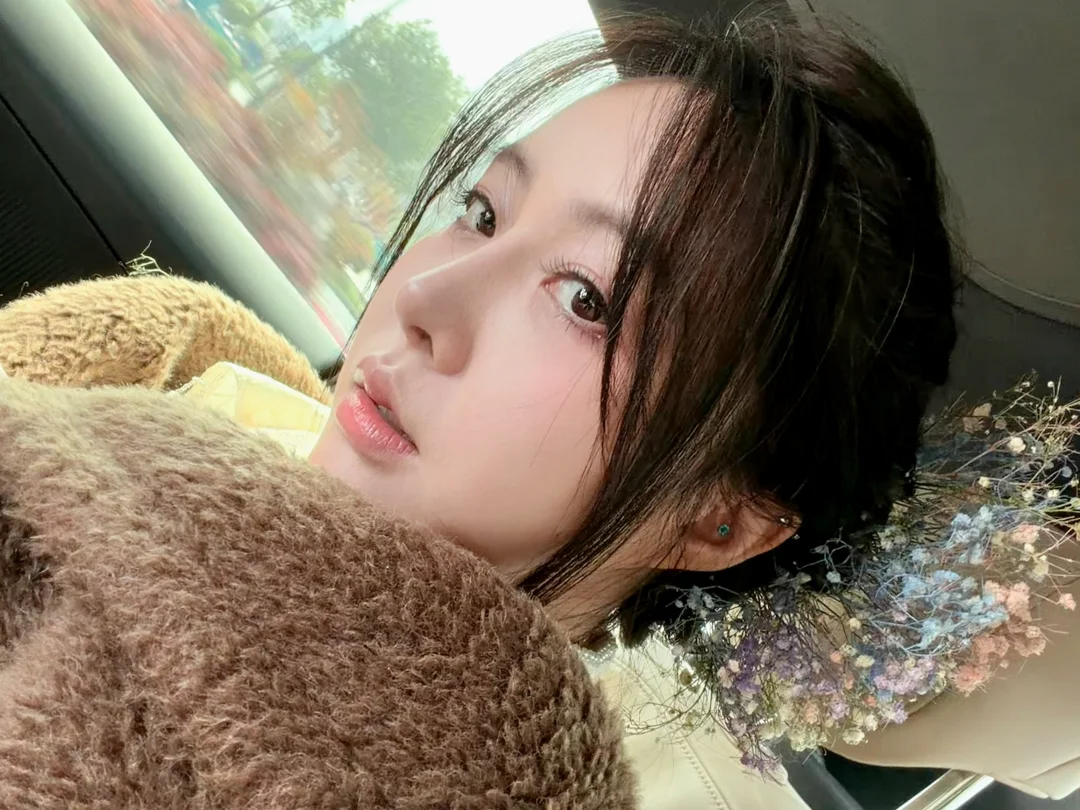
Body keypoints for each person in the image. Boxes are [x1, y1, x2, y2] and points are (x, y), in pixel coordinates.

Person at [0, 11, 963, 810]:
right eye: (484, 213)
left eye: (588, 300)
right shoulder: (187, 387)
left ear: (720, 523)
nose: (425, 298)